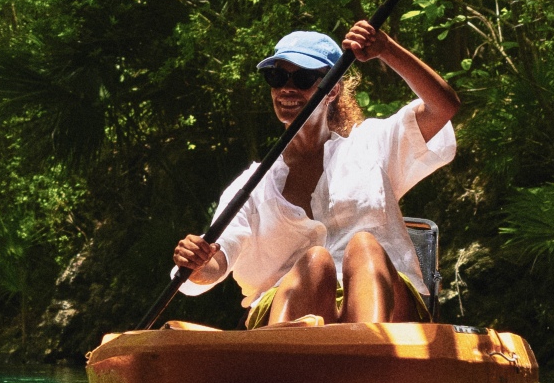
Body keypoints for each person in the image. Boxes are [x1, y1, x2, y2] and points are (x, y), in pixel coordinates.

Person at [169, 19, 460, 325]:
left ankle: (362, 355)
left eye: (304, 78)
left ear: (332, 90)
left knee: (364, 247)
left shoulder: (371, 145)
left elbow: (443, 107)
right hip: (289, 309)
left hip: (382, 306)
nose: (287, 88)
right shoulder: (251, 185)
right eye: (277, 76)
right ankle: (298, 357)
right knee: (314, 263)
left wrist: (386, 49)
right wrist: (198, 262)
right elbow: (216, 261)